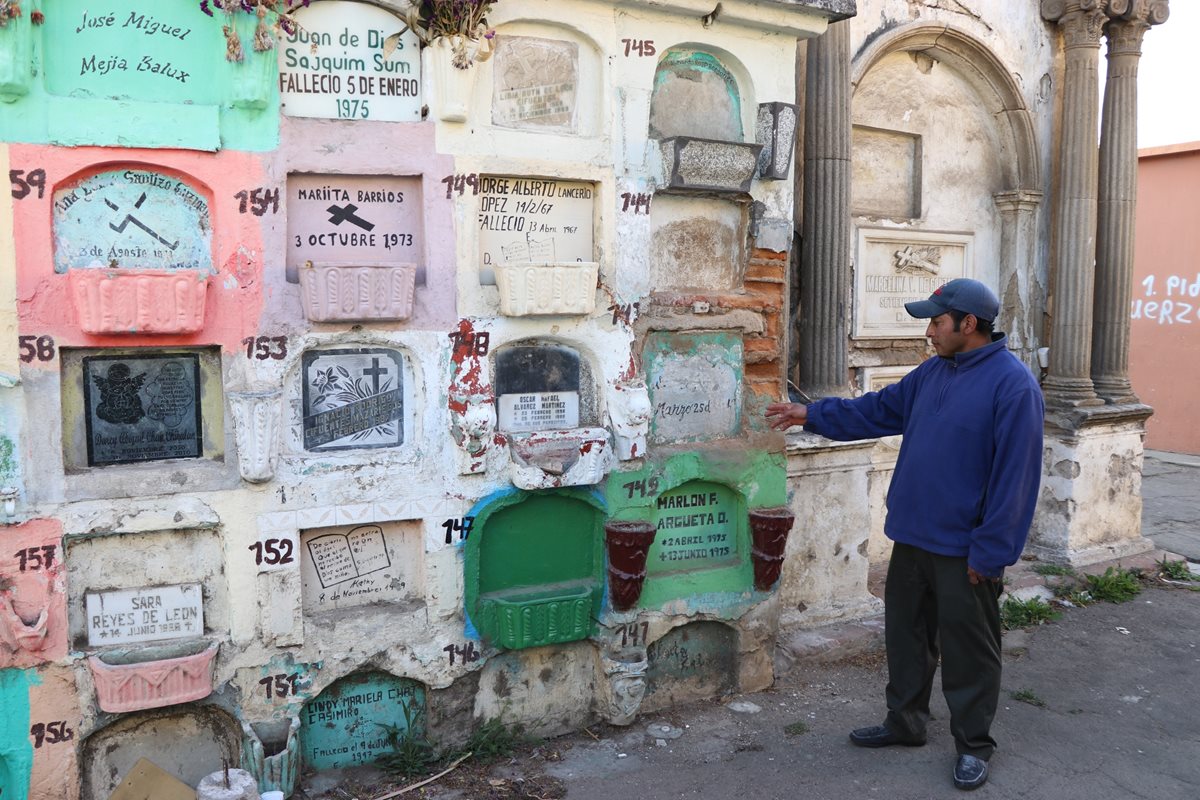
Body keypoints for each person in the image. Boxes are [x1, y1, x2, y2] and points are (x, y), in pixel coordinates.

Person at [766, 278, 1044, 792]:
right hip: (913, 536)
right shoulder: (933, 372)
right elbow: (877, 409)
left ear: (968, 324)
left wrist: (990, 554)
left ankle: (973, 746)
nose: (929, 332)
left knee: (969, 650)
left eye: (936, 322)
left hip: (966, 550)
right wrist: (812, 412)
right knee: (907, 638)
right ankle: (906, 722)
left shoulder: (1013, 386)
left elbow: (1016, 480)